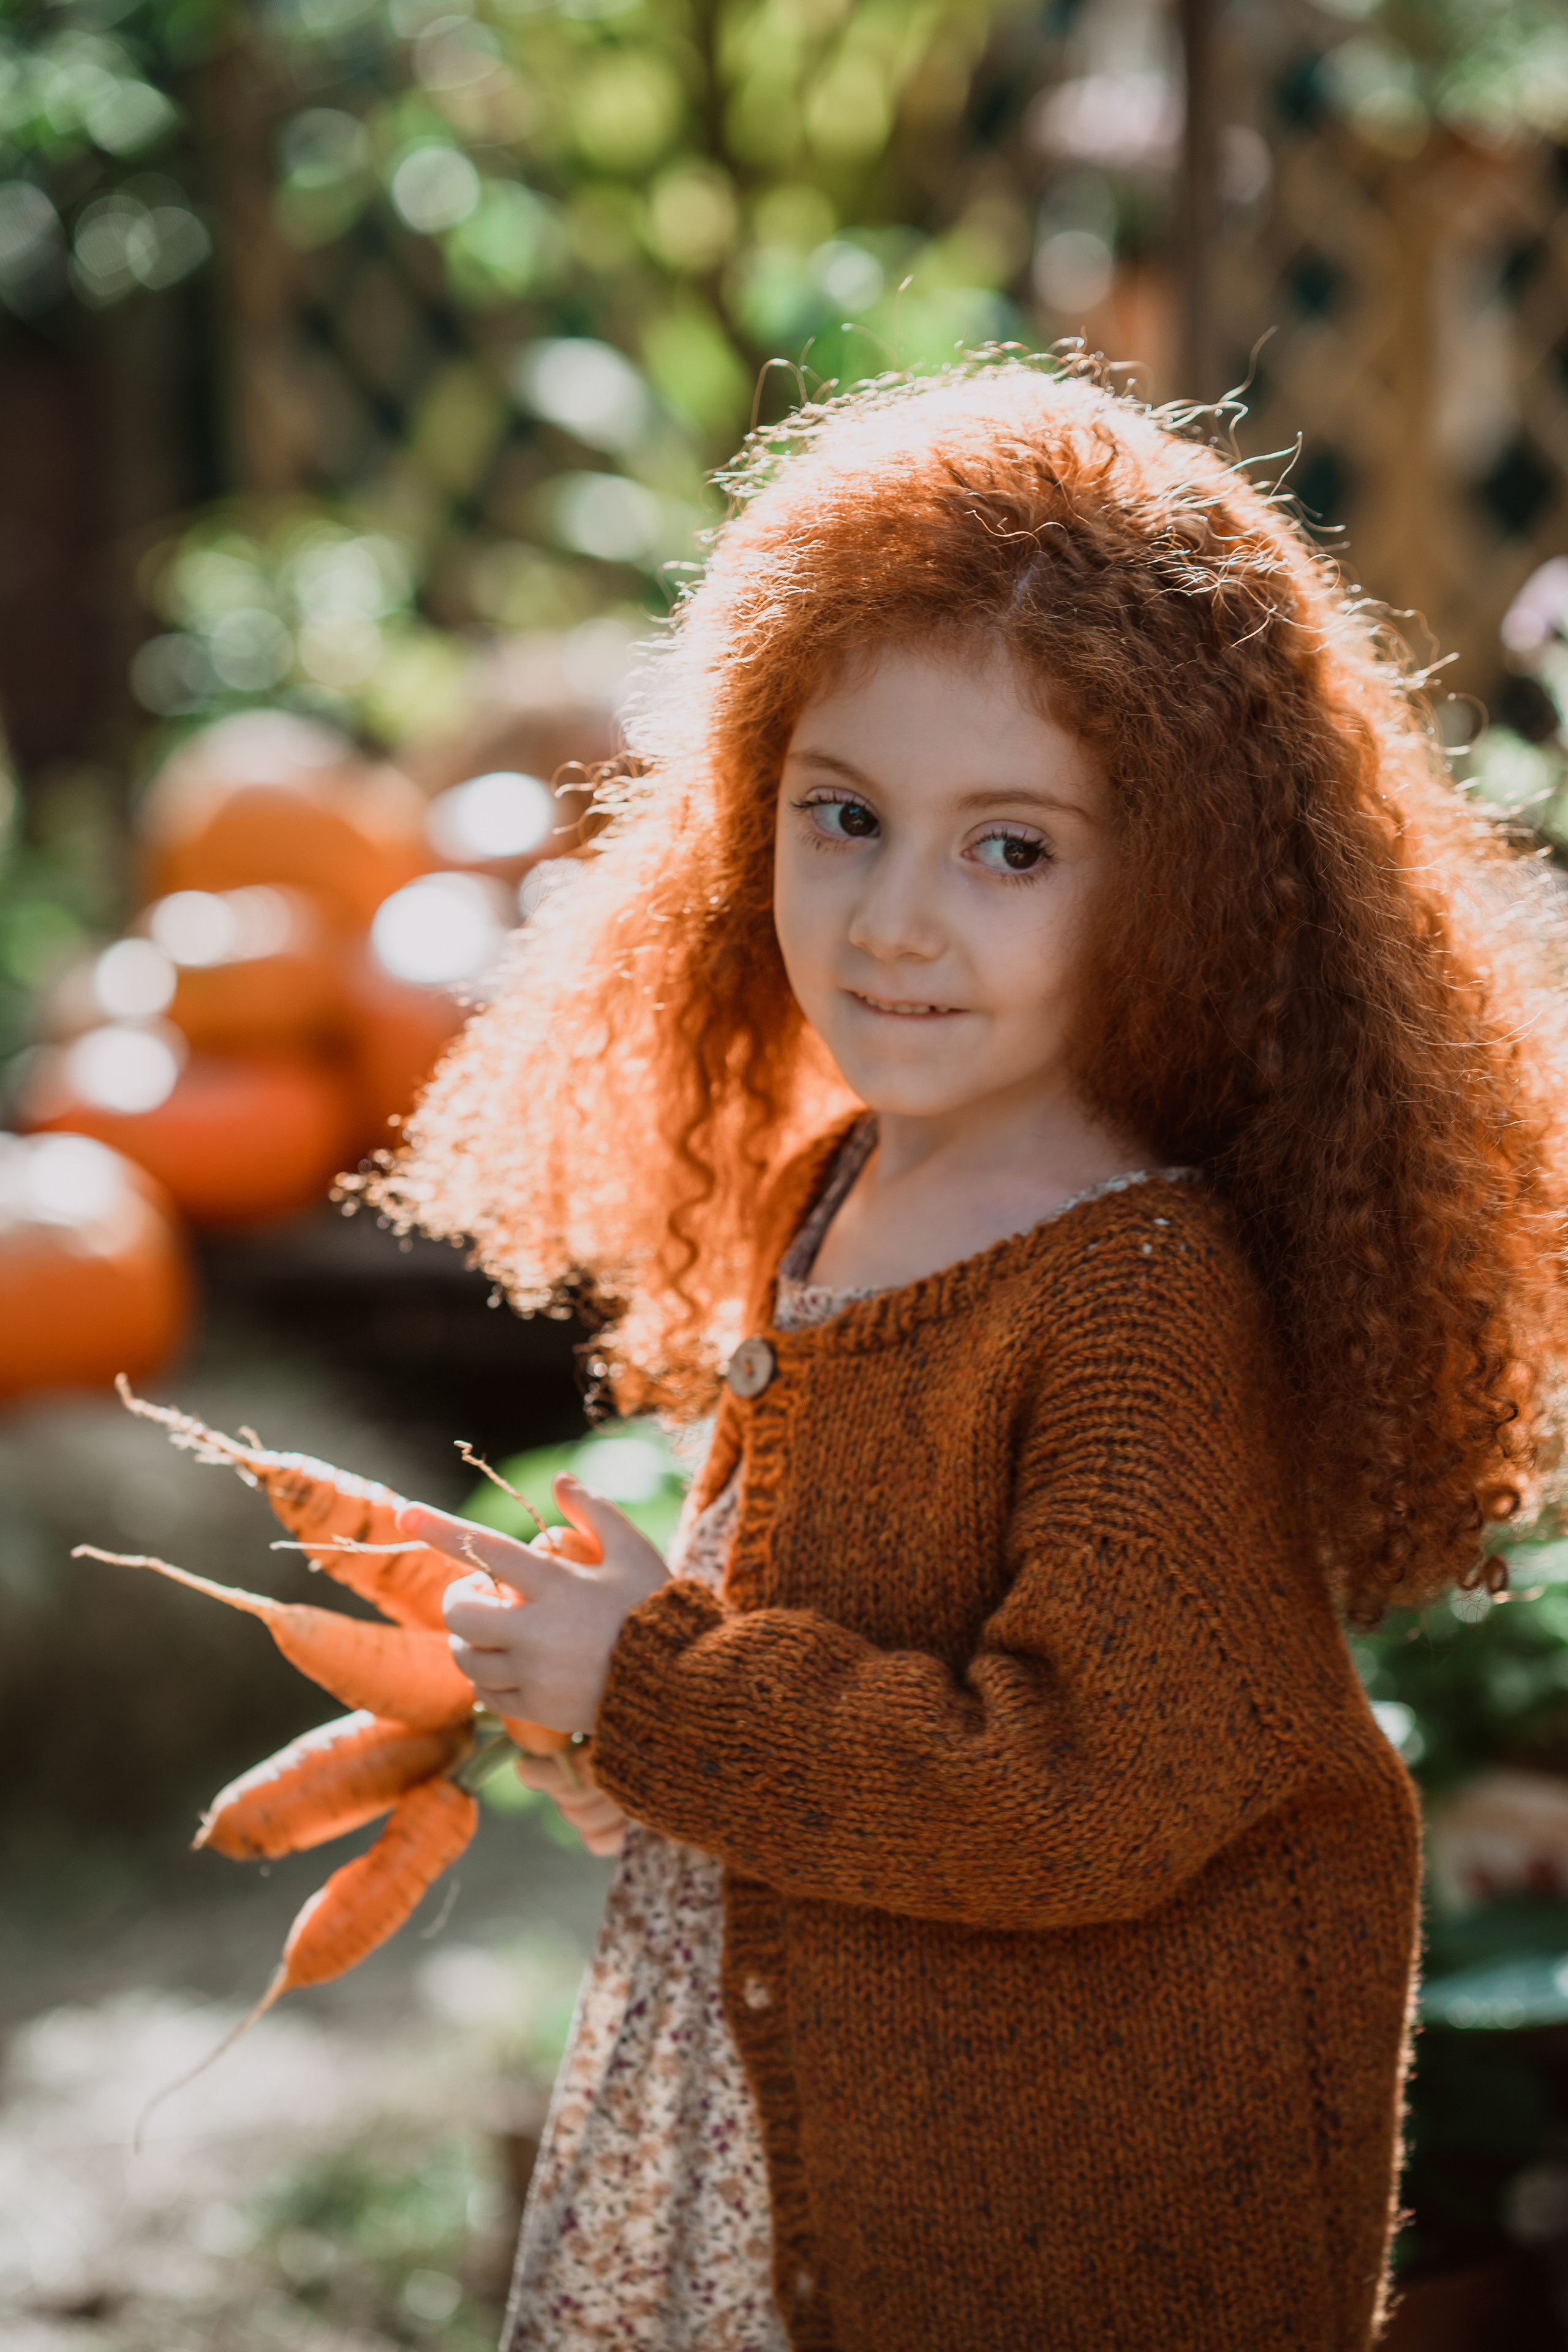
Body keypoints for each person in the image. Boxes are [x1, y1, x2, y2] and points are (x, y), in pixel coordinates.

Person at [375, 359, 1568, 2351]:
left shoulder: (1140, 1302)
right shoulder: (840, 1181)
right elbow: (845, 1643)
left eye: (1011, 849)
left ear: (1185, 881)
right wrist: (653, 1746)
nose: (894, 923)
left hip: (1045, 2196)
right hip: (824, 2097)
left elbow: (1079, 1791)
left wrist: (662, 1690)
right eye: (843, 819)